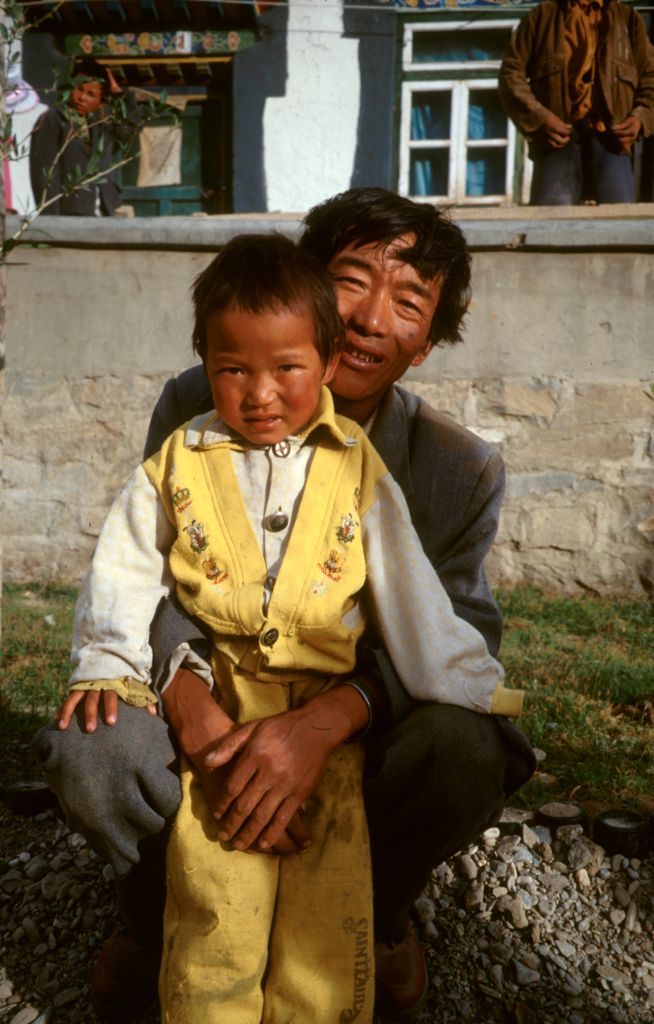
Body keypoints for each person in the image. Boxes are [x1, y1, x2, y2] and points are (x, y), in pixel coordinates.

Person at [34, 188, 536, 1023]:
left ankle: (375, 918)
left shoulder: (457, 467)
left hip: (354, 715)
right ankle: (152, 915)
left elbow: (450, 624)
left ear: (426, 345)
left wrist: (332, 717)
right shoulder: (199, 407)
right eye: (351, 281)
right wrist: (187, 698)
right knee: (94, 747)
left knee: (463, 748)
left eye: (409, 303)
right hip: (216, 692)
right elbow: (153, 566)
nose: (374, 319)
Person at [498, 0, 654, 205]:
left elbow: (650, 77)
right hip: (556, 139)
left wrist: (640, 117)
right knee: (550, 227)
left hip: (612, 140)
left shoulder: (628, 19)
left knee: (620, 226)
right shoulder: (541, 16)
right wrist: (540, 117)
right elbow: (510, 75)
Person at [29, 57, 138, 216]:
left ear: (100, 101)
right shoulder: (53, 121)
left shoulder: (101, 127)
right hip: (70, 216)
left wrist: (122, 95)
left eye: (91, 94)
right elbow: (44, 176)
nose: (82, 98)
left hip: (108, 215)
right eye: (79, 88)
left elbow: (132, 127)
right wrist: (51, 222)